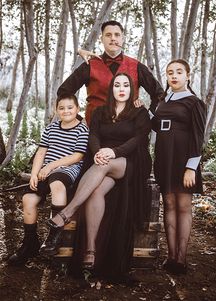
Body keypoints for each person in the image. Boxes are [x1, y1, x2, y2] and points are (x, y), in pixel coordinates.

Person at [40, 73, 152, 280]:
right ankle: (90, 251)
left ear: (131, 89)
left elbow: (138, 140)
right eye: (117, 84)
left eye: (126, 85)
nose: (121, 88)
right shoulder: (101, 111)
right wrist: (99, 151)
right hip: (103, 160)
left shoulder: (139, 112)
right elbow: (94, 136)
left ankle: (65, 214)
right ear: (111, 89)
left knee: (104, 165)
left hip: (130, 161)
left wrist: (113, 152)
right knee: (96, 191)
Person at [7, 95, 89, 265]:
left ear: (77, 109)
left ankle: (54, 237)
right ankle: (30, 243)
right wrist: (35, 174)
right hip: (45, 171)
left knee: (57, 185)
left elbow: (77, 156)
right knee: (28, 199)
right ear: (56, 110)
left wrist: (51, 166)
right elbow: (41, 153)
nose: (66, 111)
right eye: (61, 108)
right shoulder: (51, 128)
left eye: (70, 107)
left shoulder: (82, 129)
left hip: (67, 169)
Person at [151, 59, 206, 275]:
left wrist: (191, 167)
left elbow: (198, 137)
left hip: (184, 161)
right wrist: (142, 111)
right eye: (170, 72)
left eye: (179, 72)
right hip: (165, 159)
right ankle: (170, 256)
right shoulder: (164, 101)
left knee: (183, 207)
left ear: (188, 75)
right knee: (169, 205)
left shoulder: (194, 102)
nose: (174, 76)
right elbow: (157, 125)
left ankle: (181, 258)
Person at [57, 20, 163, 125]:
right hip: (94, 129)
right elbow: (64, 92)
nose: (113, 38)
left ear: (123, 39)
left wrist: (148, 115)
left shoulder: (137, 66)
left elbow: (159, 94)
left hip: (129, 131)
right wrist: (78, 118)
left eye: (117, 35)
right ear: (101, 39)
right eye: (108, 35)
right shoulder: (89, 65)